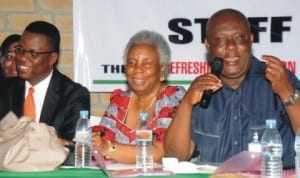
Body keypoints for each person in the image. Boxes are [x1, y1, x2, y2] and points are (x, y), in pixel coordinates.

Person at [164, 8, 300, 168]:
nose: (230, 47)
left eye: (239, 38)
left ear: (250, 39)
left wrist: (287, 93)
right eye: (220, 40)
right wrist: (186, 103)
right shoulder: (201, 90)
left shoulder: (280, 80)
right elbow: (174, 156)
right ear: (208, 45)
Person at [92, 30, 185, 164]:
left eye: (146, 63)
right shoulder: (120, 102)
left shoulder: (173, 99)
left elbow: (160, 153)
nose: (137, 69)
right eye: (132, 63)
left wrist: (109, 148)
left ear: (162, 69)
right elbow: (102, 140)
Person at [0, 21, 90, 146]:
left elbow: (74, 148)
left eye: (33, 53)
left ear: (52, 58)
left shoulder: (73, 95)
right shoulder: (5, 90)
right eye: (20, 50)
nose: (22, 58)